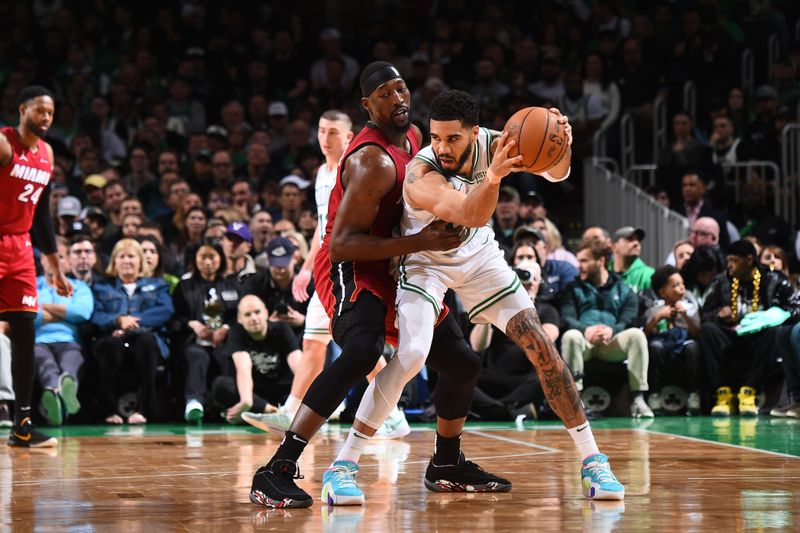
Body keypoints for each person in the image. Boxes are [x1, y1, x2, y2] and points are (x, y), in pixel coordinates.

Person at [341, 89, 623, 503]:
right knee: (413, 354)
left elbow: (557, 174)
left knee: (542, 346)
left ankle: (593, 461)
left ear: (475, 133)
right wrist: (492, 176)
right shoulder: (422, 173)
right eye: (435, 137)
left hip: (478, 255)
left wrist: (562, 142)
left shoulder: (500, 140)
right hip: (426, 259)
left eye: (452, 139)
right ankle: (343, 466)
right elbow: (471, 213)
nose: (441, 147)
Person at [249, 62, 467, 509]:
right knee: (363, 349)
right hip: (351, 266)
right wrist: (421, 240)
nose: (398, 99)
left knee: (463, 363)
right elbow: (344, 245)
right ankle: (277, 470)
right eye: (385, 94)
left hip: (396, 260)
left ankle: (447, 464)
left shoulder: (411, 138)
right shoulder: (371, 160)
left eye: (402, 88)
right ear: (367, 106)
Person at [1, 86, 73, 447]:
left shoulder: (46, 152)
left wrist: (55, 267)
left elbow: (42, 215)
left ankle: (22, 425)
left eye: (51, 112)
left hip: (20, 249)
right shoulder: (4, 143)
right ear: (22, 109)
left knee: (26, 332)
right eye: (40, 111)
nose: (46, 117)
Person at [699, 240, 795, 416]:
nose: (729, 265)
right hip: (731, 333)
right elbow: (705, 313)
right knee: (708, 330)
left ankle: (749, 392)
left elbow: (794, 307)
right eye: (728, 260)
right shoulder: (722, 281)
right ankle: (723, 394)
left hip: (758, 337)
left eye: (734, 260)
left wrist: (770, 316)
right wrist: (719, 314)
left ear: (749, 260)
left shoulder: (774, 279)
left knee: (774, 332)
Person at [561, 239, 653, 418]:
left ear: (601, 261)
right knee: (570, 335)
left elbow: (629, 318)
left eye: (584, 261)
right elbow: (567, 317)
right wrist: (585, 330)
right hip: (584, 343)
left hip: (611, 344)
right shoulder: (573, 289)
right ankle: (574, 400)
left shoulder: (623, 289)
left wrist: (612, 330)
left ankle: (638, 399)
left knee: (636, 335)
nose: (579, 265)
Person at [90, 239, 174, 424]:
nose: (127, 260)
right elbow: (95, 314)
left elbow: (166, 310)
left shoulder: (158, 285)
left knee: (146, 342)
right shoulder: (101, 287)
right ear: (114, 261)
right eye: (122, 256)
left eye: (131, 256)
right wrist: (117, 320)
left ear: (140, 261)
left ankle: (143, 410)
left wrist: (131, 323)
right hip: (112, 338)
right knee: (110, 346)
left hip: (144, 338)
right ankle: (109, 411)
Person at [171, 239, 241, 422]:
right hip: (193, 342)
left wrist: (225, 328)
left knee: (227, 356)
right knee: (197, 355)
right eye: (203, 257)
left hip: (223, 341)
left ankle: (230, 406)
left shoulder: (230, 284)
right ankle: (194, 402)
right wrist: (191, 324)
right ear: (195, 259)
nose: (208, 262)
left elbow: (238, 316)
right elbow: (175, 318)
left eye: (212, 257)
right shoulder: (184, 286)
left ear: (221, 259)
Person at [212, 295, 301, 422]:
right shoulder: (236, 332)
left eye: (257, 312)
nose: (254, 318)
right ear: (239, 319)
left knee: (305, 381)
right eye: (247, 315)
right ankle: (270, 411)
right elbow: (243, 366)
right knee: (220, 385)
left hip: (282, 390)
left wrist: (305, 398)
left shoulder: (281, 329)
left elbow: (298, 365)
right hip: (254, 393)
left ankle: (282, 411)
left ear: (266, 313)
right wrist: (247, 401)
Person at [34, 237, 93, 426]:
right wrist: (64, 313)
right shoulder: (32, 285)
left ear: (67, 262)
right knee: (45, 364)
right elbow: (26, 315)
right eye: (51, 256)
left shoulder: (79, 286)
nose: (55, 261)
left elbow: (82, 312)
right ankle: (55, 393)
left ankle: (62, 392)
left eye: (60, 257)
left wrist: (45, 307)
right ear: (42, 259)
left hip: (70, 341)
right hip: (39, 341)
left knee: (71, 362)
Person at [643, 265, 702, 415]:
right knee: (654, 347)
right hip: (662, 341)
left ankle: (694, 394)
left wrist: (686, 316)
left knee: (693, 347)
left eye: (682, 284)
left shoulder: (690, 308)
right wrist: (657, 318)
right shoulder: (654, 310)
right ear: (663, 292)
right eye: (675, 285)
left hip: (683, 342)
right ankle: (654, 394)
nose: (681, 288)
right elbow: (645, 334)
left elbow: (696, 333)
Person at [609, 226, 655, 293]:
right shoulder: (603, 273)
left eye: (638, 240)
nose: (636, 243)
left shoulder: (649, 275)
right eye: (630, 239)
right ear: (614, 247)